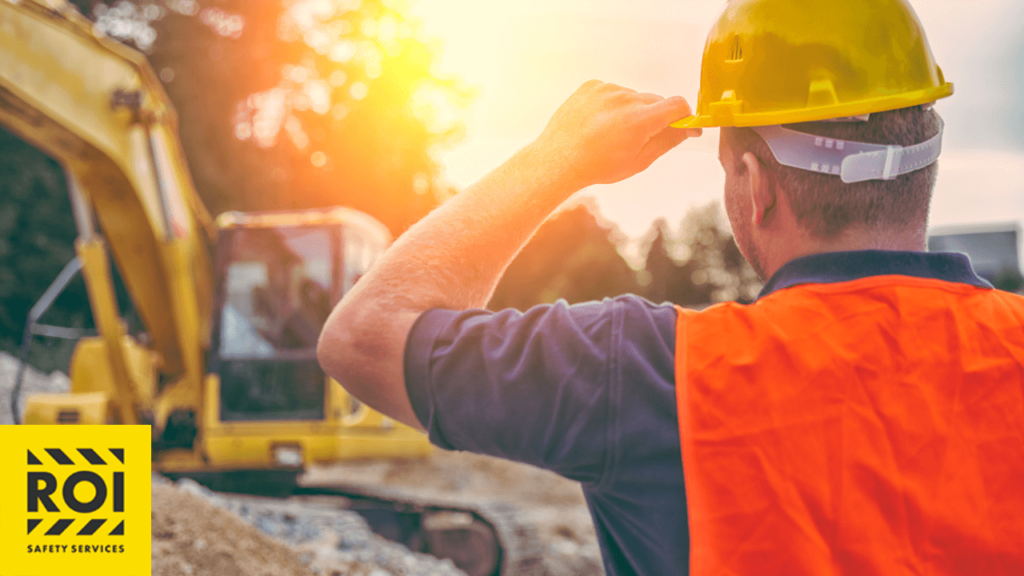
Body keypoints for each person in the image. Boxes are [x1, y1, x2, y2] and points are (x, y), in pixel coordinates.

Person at [318, 0, 1024, 573]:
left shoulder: (652, 373)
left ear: (755, 185)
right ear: (925, 157)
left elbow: (364, 336)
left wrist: (555, 161)